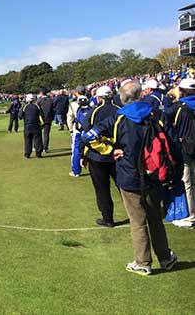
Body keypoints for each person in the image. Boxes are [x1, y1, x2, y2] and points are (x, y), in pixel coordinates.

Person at [83, 81, 178, 275]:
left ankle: (143, 262)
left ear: (122, 97)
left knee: (137, 221)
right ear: (141, 94)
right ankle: (165, 258)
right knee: (155, 219)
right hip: (154, 173)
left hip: (128, 175)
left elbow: (89, 136)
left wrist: (110, 150)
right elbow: (171, 143)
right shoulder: (155, 114)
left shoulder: (118, 118)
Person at [81, 86, 121, 227]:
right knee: (124, 188)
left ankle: (107, 218)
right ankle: (137, 214)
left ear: (98, 97)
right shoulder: (120, 109)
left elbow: (86, 135)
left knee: (102, 189)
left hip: (97, 156)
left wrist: (83, 155)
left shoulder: (94, 111)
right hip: (119, 154)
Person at [166, 78, 195, 227]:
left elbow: (163, 120)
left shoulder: (177, 107)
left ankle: (190, 217)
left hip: (186, 150)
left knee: (187, 183)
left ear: (182, 91)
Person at [67, 95, 90, 177]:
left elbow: (69, 118)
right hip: (89, 130)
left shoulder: (73, 105)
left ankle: (76, 171)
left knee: (76, 150)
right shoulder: (91, 104)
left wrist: (70, 130)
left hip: (78, 130)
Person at [18, 94, 44, 158]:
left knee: (28, 140)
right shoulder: (37, 106)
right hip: (36, 125)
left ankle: (27, 154)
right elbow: (42, 115)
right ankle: (38, 154)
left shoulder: (25, 107)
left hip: (27, 126)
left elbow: (20, 116)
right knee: (37, 139)